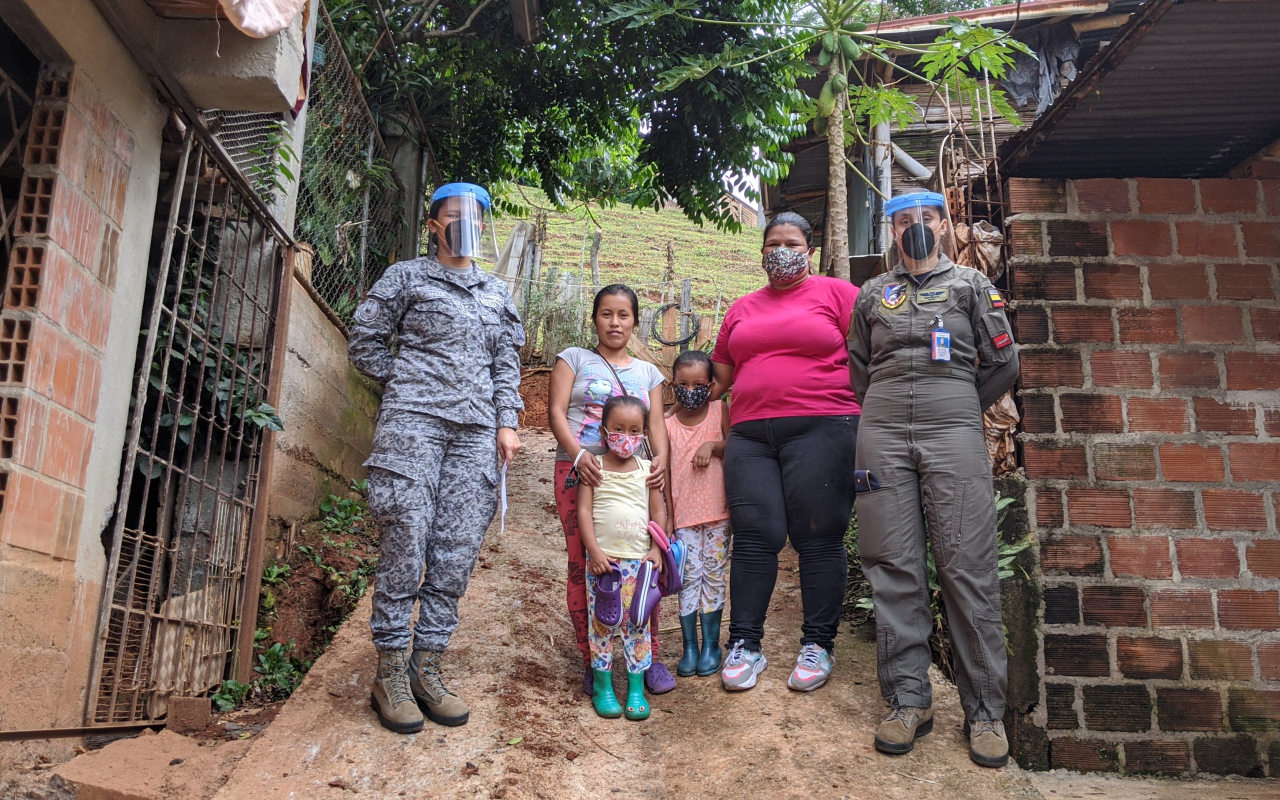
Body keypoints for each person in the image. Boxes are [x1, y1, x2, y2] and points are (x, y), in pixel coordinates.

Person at [847, 191, 1019, 768]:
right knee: (892, 563)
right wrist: (887, 412)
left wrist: (961, 406)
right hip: (882, 430)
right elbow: (859, 368)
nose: (915, 228)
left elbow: (1004, 363)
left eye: (925, 218)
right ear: (891, 231)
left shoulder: (971, 286)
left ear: (944, 225)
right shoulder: (873, 294)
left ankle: (986, 712)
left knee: (966, 564)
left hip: (954, 429)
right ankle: (908, 701)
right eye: (903, 221)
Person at [348, 182, 523, 734]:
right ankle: (390, 670)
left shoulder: (496, 292)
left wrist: (507, 422)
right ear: (433, 225)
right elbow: (364, 341)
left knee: (456, 548)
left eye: (476, 215)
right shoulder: (406, 277)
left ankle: (427, 666)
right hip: (413, 425)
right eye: (455, 215)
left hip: (475, 433)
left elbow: (506, 365)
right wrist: (407, 381)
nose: (467, 223)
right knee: (406, 534)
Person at [708, 211, 861, 693]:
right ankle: (745, 644)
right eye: (772, 243)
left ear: (809, 251)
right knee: (756, 536)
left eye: (791, 243)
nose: (781, 251)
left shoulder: (839, 294)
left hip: (825, 425)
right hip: (751, 435)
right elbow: (718, 378)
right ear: (761, 253)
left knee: (818, 536)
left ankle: (818, 644)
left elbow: (871, 354)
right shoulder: (742, 308)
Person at [547, 284, 674, 697]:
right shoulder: (573, 359)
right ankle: (593, 659)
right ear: (594, 319)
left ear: (635, 321)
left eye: (623, 315)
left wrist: (661, 462)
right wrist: (578, 455)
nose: (614, 322)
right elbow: (556, 412)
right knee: (584, 562)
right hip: (581, 471)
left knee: (646, 563)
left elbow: (656, 426)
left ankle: (648, 658)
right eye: (606, 314)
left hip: (636, 477)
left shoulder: (648, 373)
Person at [577, 396, 668, 720]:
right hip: (605, 566)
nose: (625, 437)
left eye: (634, 430)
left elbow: (658, 512)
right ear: (604, 431)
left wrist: (656, 548)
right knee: (601, 624)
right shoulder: (594, 468)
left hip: (639, 565)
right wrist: (594, 552)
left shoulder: (648, 470)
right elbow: (583, 512)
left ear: (644, 434)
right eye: (618, 429)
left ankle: (635, 689)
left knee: (637, 624)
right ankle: (603, 688)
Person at [663, 349, 731, 678]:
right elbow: (663, 476)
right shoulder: (666, 426)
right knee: (688, 579)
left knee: (714, 576)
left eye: (699, 385)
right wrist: (669, 517)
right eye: (683, 385)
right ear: (673, 385)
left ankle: (711, 646)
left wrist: (713, 446)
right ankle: (690, 646)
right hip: (684, 515)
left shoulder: (720, 410)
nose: (690, 391)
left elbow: (736, 448)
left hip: (718, 512)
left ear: (711, 385)